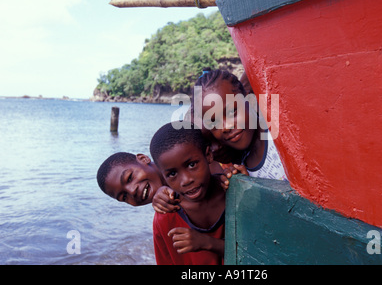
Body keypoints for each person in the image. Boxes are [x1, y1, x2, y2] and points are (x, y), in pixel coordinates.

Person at [150, 121, 246, 265]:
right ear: (163, 176)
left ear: (208, 155)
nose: (186, 180)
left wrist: (207, 243)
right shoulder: (166, 217)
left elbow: (257, 250)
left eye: (191, 164)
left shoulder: (232, 192)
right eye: (172, 174)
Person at [194, 69, 287, 182]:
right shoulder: (239, 167)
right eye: (213, 123)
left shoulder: (281, 133)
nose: (226, 127)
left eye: (232, 111)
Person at [96, 152, 165, 206]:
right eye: (124, 196)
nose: (132, 191)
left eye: (130, 178)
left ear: (143, 159)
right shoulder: (163, 219)